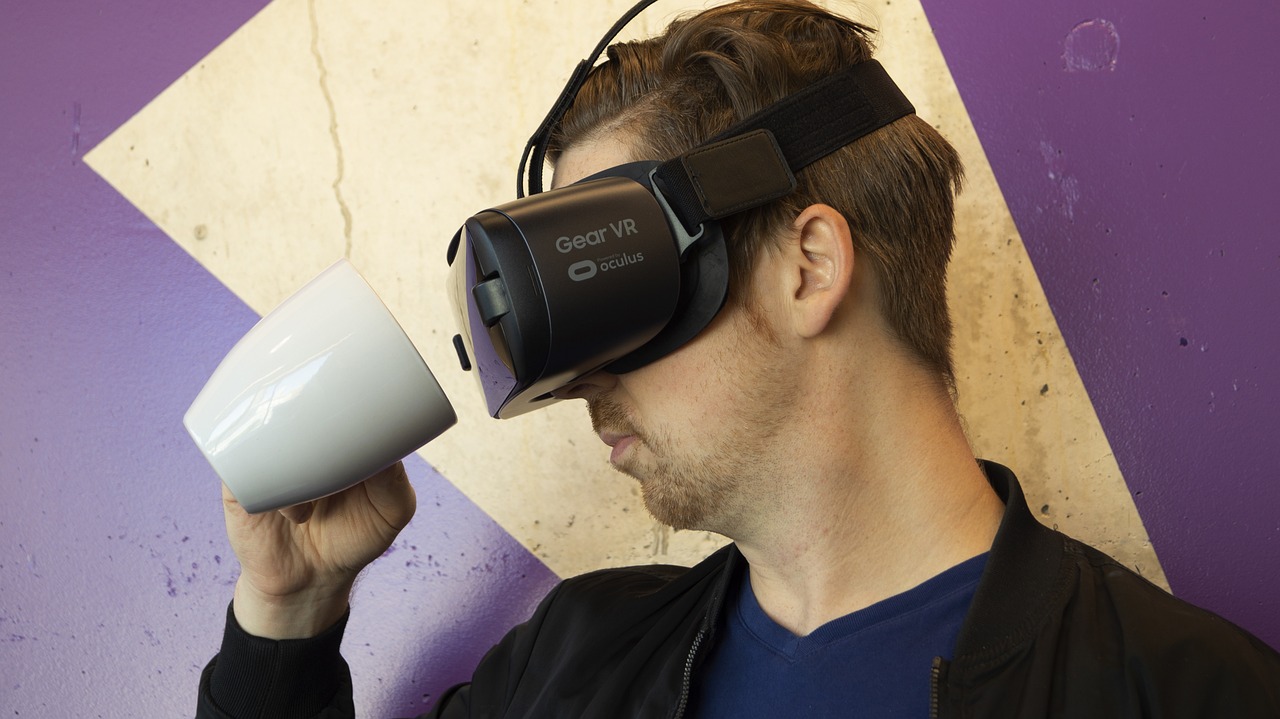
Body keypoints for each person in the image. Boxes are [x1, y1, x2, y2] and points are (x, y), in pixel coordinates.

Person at [196, 1, 1280, 717]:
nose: (580, 380)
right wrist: (288, 612)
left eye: (608, 295)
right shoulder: (574, 665)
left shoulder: (1183, 693)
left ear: (808, 266)